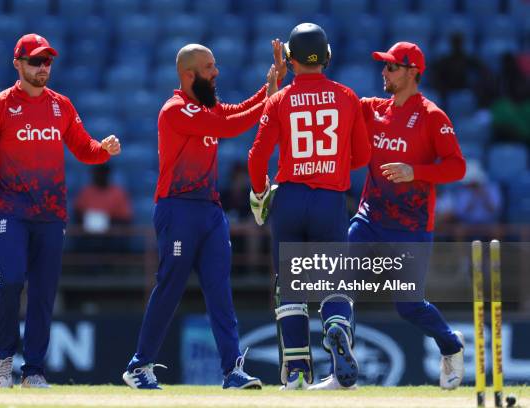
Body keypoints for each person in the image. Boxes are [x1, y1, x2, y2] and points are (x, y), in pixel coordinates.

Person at [122, 41, 284, 390]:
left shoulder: (205, 107)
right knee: (170, 285)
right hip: (177, 208)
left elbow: (236, 112)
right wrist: (271, 100)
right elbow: (231, 126)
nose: (217, 73)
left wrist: (269, 88)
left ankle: (232, 371)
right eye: (210, 67)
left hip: (209, 210)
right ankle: (139, 366)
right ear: (189, 74)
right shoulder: (175, 110)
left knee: (219, 289)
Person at [0, 33, 121, 388]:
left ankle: (33, 370)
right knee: (13, 281)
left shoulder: (61, 105)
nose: (42, 67)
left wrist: (104, 149)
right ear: (17, 64)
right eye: (35, 61)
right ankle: (3, 362)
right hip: (12, 212)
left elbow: (84, 148)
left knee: (44, 290)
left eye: (47, 61)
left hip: (51, 214)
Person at [314, 42, 466, 390]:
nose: (384, 72)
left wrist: (415, 171)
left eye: (392, 67)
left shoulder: (432, 116)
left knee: (409, 307)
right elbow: (335, 101)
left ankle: (451, 345)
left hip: (411, 227)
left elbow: (457, 167)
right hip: (369, 217)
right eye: (384, 66)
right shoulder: (372, 109)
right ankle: (341, 373)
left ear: (413, 72)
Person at [247, 23, 371, 391]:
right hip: (330, 199)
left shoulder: (280, 100)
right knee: (335, 282)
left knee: (290, 289)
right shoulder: (348, 97)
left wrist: (259, 195)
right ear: (327, 56)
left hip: (289, 198)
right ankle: (335, 326)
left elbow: (256, 159)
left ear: (289, 58)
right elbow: (362, 156)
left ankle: (298, 372)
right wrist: (328, 166)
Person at [74, 164, 133, 252]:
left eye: (102, 174)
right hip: (89, 232)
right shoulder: (86, 192)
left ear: (107, 175)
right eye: (97, 174)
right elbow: (77, 213)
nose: (99, 176)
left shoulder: (118, 193)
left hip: (111, 232)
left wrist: (106, 221)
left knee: (116, 240)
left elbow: (126, 218)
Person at [437, 159, 502, 225]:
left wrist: (484, 195)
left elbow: (495, 210)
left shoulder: (492, 188)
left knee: (496, 231)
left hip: (489, 222)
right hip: (467, 223)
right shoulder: (463, 191)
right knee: (460, 231)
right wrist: (473, 197)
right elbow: (461, 213)